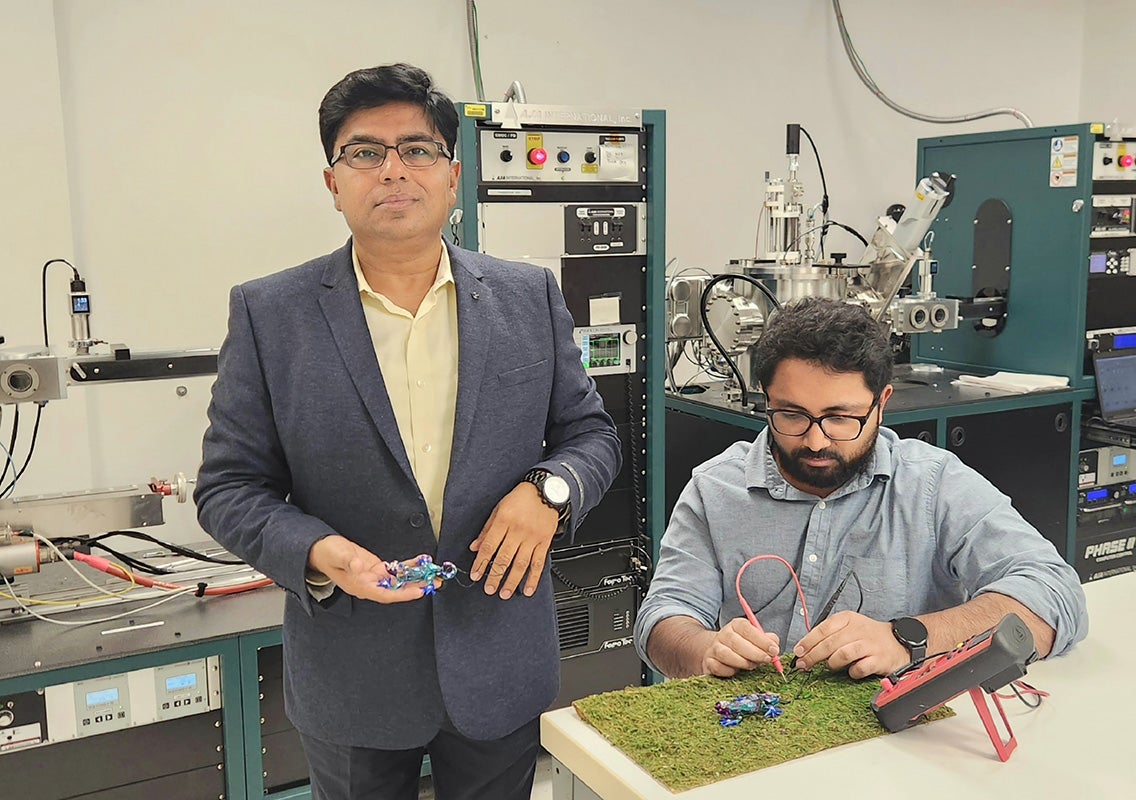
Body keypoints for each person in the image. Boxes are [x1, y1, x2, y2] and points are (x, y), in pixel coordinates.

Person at [195, 63, 620, 800]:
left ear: (453, 176)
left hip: (498, 656)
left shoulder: (527, 297)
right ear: (333, 182)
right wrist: (321, 554)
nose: (393, 170)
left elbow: (592, 436)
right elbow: (229, 488)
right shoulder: (272, 314)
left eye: (417, 150)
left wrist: (547, 491)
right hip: (352, 673)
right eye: (365, 152)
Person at [634, 297, 1087, 681]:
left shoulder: (932, 484)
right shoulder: (715, 489)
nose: (815, 440)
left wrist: (906, 638)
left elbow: (1056, 594)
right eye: (791, 415)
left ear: (882, 404)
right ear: (764, 398)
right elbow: (660, 620)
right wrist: (704, 649)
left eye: (840, 417)